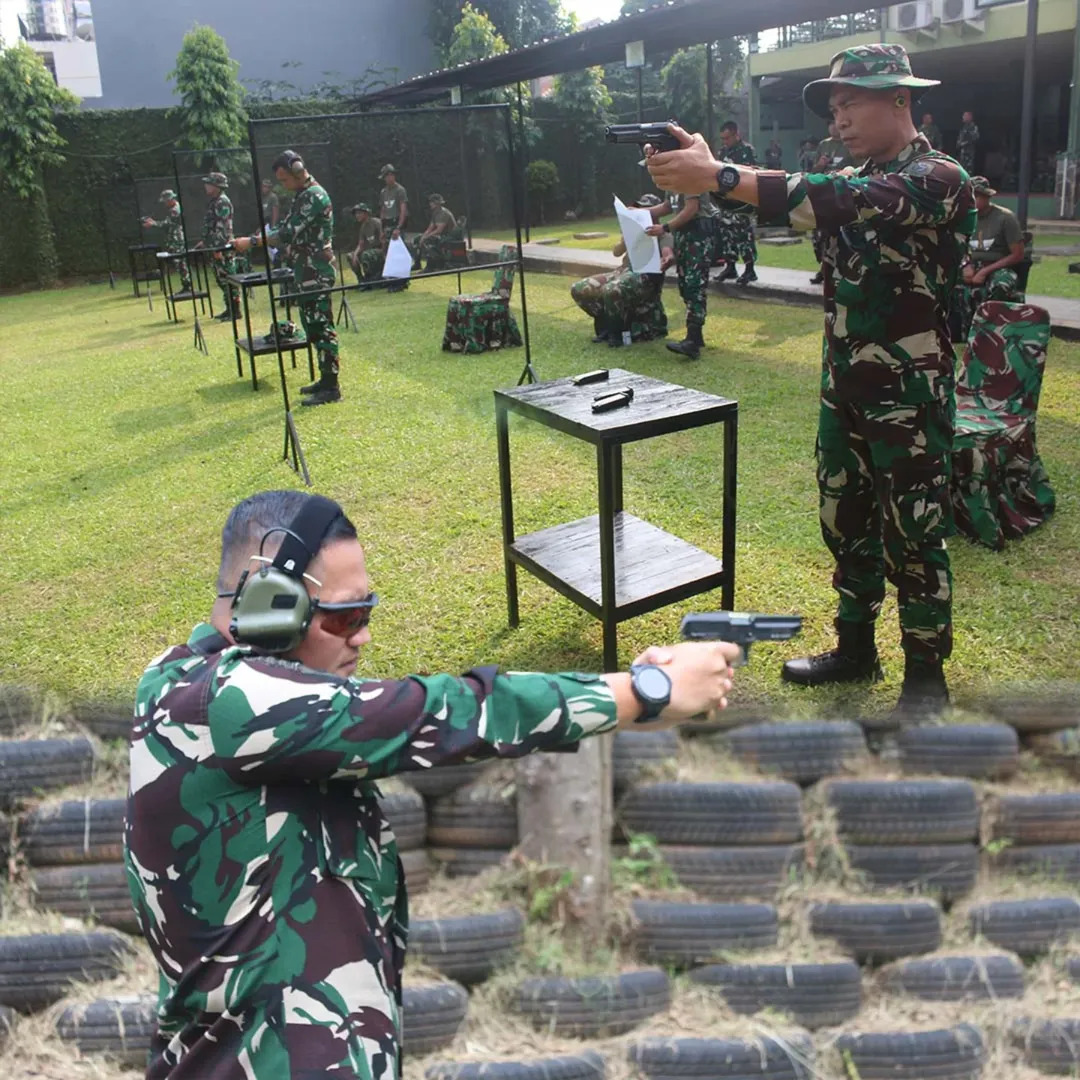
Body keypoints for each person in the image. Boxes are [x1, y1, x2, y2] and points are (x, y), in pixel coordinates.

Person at [124, 488, 739, 1080]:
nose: (362, 634)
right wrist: (644, 693)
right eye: (343, 617)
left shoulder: (197, 689)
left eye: (366, 610)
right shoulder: (222, 703)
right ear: (269, 607)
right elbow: (438, 714)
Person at [646, 43, 976, 721]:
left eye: (851, 100)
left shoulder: (939, 177)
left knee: (913, 531)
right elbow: (785, 205)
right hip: (844, 385)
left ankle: (924, 674)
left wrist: (721, 173)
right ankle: (855, 646)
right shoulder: (846, 171)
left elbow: (837, 198)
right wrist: (711, 177)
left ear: (900, 99)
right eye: (833, 105)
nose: (840, 116)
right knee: (844, 520)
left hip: (910, 396)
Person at [233, 150, 340, 407]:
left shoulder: (314, 195)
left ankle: (332, 387)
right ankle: (325, 380)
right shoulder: (302, 195)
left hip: (316, 271)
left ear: (297, 171)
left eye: (284, 180)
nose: (283, 185)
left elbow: (289, 231)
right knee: (312, 326)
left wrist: (253, 242)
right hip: (306, 269)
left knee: (322, 327)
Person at [570, 193, 674, 345]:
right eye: (637, 209)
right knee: (580, 288)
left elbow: (668, 252)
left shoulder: (664, 234)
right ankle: (606, 323)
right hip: (623, 271)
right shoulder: (632, 232)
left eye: (644, 210)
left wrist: (667, 258)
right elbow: (616, 252)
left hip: (646, 276)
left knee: (612, 289)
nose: (639, 213)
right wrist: (626, 237)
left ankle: (617, 334)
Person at [645, 186, 719, 360]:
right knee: (685, 285)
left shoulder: (688, 176)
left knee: (694, 285)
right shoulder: (672, 181)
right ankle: (696, 337)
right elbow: (666, 206)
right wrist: (639, 211)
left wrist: (665, 227)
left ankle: (692, 341)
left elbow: (691, 208)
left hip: (698, 235)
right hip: (684, 235)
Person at [954, 176, 1026, 340]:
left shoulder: (1005, 218)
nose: (972, 200)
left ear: (987, 197)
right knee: (946, 282)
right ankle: (963, 332)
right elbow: (958, 245)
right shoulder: (964, 218)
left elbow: (1017, 254)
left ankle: (992, 333)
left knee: (1000, 285)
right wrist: (965, 264)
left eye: (977, 196)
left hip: (999, 266)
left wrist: (986, 270)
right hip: (971, 266)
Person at [809, 123, 854, 286]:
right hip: (824, 192)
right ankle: (823, 269)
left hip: (842, 193)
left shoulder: (849, 144)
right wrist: (820, 164)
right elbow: (814, 171)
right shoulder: (824, 145)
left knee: (839, 235)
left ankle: (838, 271)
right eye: (830, 125)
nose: (834, 128)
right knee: (819, 235)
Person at [715, 120, 758, 286]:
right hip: (726, 200)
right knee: (727, 233)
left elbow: (750, 171)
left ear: (736, 134)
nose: (725, 142)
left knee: (744, 233)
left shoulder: (746, 150)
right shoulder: (723, 152)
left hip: (742, 200)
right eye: (722, 139)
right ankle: (730, 265)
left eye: (727, 138)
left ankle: (749, 268)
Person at [199, 171, 239, 321]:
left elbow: (223, 228)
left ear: (217, 186)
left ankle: (235, 311)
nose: (206, 186)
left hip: (223, 248)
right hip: (216, 246)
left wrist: (218, 248)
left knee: (228, 279)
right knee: (221, 279)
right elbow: (212, 225)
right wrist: (205, 241)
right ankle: (229, 309)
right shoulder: (215, 201)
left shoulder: (222, 202)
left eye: (209, 183)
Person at [141, 188, 191, 294]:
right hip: (174, 238)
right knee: (179, 263)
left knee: (180, 263)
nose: (164, 203)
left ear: (170, 200)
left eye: (165, 201)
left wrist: (153, 223)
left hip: (176, 239)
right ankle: (186, 285)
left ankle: (187, 285)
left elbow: (167, 223)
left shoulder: (174, 210)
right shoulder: (174, 208)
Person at [414, 193, 458, 271]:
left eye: (432, 202)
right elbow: (430, 228)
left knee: (428, 241)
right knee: (417, 239)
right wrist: (423, 236)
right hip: (442, 235)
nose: (430, 204)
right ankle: (417, 263)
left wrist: (426, 238)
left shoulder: (444, 213)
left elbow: (439, 230)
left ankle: (430, 266)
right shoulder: (435, 213)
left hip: (449, 236)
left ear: (437, 203)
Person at [347, 202, 383, 285]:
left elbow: (383, 239)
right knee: (350, 256)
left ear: (366, 213)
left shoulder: (376, 222)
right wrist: (355, 255)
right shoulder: (363, 227)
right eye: (356, 214)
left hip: (380, 251)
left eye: (359, 213)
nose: (357, 216)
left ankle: (370, 278)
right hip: (370, 252)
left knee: (366, 255)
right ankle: (361, 280)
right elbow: (361, 244)